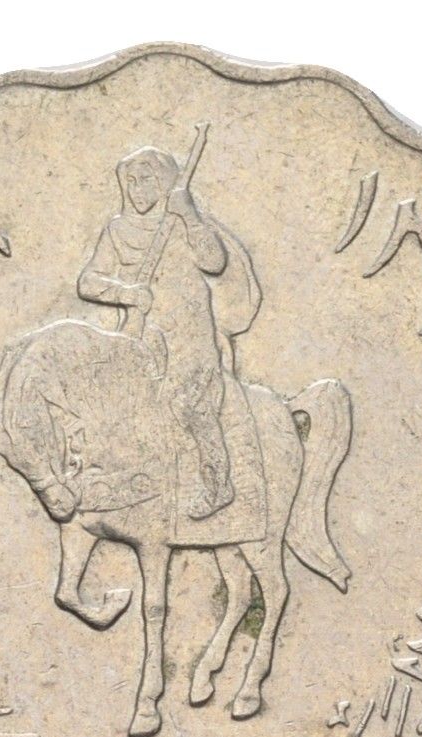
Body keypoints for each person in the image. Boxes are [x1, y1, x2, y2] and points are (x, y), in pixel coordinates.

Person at [78, 146, 251, 520]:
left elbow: (214, 262)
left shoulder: (183, 224)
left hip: (190, 335)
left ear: (165, 183)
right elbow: (88, 281)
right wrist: (126, 293)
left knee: (190, 405)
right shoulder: (117, 230)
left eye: (146, 180)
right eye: (131, 181)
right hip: (142, 335)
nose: (137, 189)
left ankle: (218, 486)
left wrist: (189, 215)